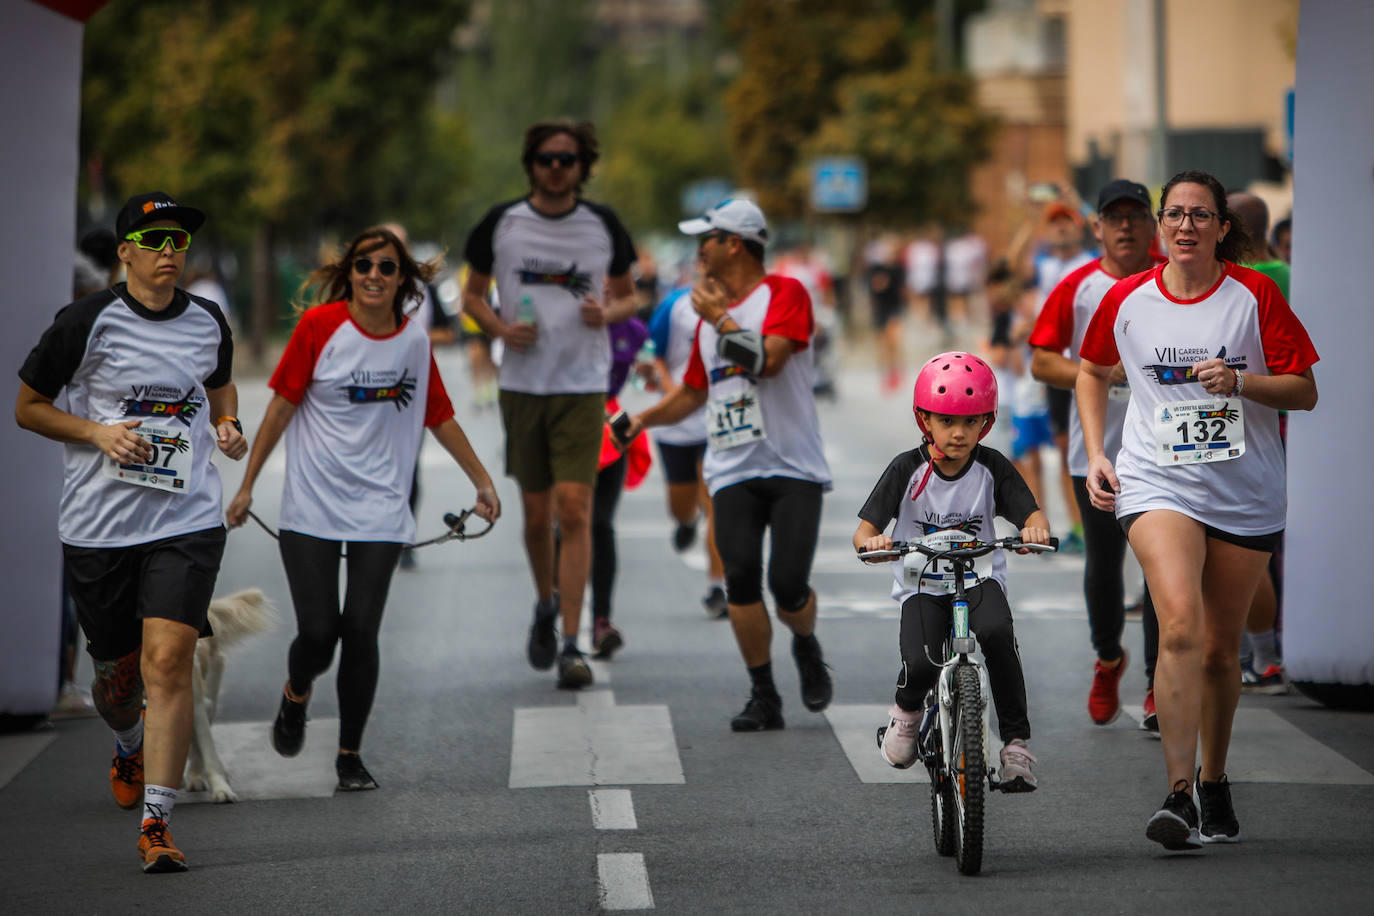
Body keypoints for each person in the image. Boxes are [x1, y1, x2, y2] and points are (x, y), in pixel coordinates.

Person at [1077, 168, 1318, 850]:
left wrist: (1241, 381)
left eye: (1200, 216)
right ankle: (1178, 794)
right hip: (1158, 482)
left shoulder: (1254, 295)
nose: (1186, 226)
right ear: (1161, 227)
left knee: (1219, 650)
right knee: (1178, 622)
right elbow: (1092, 371)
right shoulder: (1126, 299)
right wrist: (1099, 452)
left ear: (1220, 227)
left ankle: (1215, 780)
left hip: (1245, 488)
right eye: (1175, 215)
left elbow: (1304, 392)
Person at [16, 191, 247, 873]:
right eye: (155, 240)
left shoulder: (207, 320)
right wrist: (97, 434)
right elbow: (28, 408)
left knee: (170, 662)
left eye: (179, 241)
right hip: (100, 526)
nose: (170, 251)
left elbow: (221, 386)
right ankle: (128, 741)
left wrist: (227, 426)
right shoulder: (85, 321)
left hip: (188, 519)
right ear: (125, 253)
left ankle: (157, 825)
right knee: (117, 683)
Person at [226, 226, 499, 792]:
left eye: (387, 268)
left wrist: (482, 482)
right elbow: (279, 409)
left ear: (404, 280)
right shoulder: (319, 328)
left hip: (381, 506)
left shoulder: (414, 344)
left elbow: (440, 414)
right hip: (313, 504)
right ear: (349, 273)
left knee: (362, 630)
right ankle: (296, 691)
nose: (374, 276)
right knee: (320, 633)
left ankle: (350, 754)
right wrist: (247, 485)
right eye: (364, 266)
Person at [621, 199, 833, 731]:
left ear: (734, 243)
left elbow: (768, 358)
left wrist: (719, 318)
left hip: (793, 468)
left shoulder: (785, 294)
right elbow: (694, 391)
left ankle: (805, 643)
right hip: (732, 468)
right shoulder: (704, 321)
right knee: (739, 577)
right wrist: (640, 420)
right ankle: (764, 693)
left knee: (787, 585)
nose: (699, 250)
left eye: (707, 239)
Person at [460, 119, 638, 690]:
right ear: (530, 163)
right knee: (537, 517)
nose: (555, 168)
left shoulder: (602, 224)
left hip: (584, 386)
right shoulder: (503, 222)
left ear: (582, 166)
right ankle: (544, 602)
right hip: (523, 386)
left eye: (566, 159)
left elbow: (630, 295)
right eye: (544, 158)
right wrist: (499, 327)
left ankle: (570, 641)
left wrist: (605, 314)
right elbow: (470, 294)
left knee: (575, 511)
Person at [855, 352, 1050, 791]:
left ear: (988, 422)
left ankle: (1016, 744)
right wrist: (876, 543)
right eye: (946, 421)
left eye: (971, 421)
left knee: (998, 635)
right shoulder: (907, 468)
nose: (959, 433)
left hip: (979, 578)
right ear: (924, 419)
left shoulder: (992, 467)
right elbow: (864, 532)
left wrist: (1034, 530)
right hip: (921, 582)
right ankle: (905, 717)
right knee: (921, 660)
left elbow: (1032, 515)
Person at [1029, 179, 1163, 731]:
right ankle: (1109, 659)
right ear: (1098, 226)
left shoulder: (1176, 280)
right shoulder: (1077, 287)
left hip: (1166, 451)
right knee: (1105, 564)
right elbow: (1040, 360)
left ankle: (1159, 684)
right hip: (1099, 451)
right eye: (1116, 216)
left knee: (1163, 572)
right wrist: (1102, 374)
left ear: (1152, 225)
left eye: (1136, 215)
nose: (1126, 225)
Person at [1226, 192, 1293, 694]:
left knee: (1247, 542)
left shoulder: (1256, 285)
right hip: (1280, 426)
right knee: (1265, 542)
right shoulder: (1290, 274)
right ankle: (1264, 651)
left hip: (1261, 421)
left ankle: (1258, 652)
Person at [647, 282, 728, 617]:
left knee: (716, 505)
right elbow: (653, 353)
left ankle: (718, 586)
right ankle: (686, 522)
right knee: (682, 507)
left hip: (719, 421)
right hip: (677, 423)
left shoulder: (744, 303)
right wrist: (670, 388)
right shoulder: (675, 305)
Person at [587, 315, 653, 658]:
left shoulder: (634, 330)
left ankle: (601, 621)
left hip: (609, 429)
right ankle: (550, 615)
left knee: (600, 523)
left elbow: (650, 376)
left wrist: (649, 375)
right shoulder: (560, 316)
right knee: (563, 524)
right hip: (563, 424)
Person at [865, 236, 907, 394]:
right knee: (882, 344)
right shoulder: (876, 269)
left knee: (893, 342)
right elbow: (876, 287)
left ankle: (896, 372)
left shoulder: (898, 269)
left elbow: (901, 290)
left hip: (893, 309)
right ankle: (886, 374)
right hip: (880, 310)